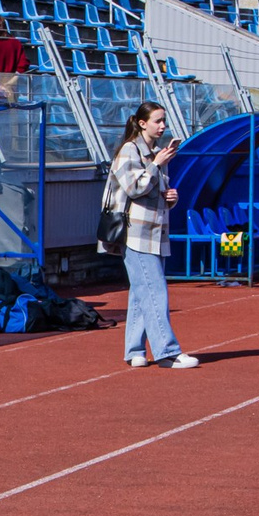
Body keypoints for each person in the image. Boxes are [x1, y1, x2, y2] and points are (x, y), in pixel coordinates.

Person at [106, 103, 198, 369]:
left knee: (140, 293)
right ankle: (167, 352)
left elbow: (156, 192)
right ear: (142, 123)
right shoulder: (129, 151)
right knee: (155, 291)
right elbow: (135, 188)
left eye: (164, 121)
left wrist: (171, 198)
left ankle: (134, 351)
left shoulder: (158, 154)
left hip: (156, 232)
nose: (162, 126)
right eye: (158, 121)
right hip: (135, 233)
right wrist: (157, 165)